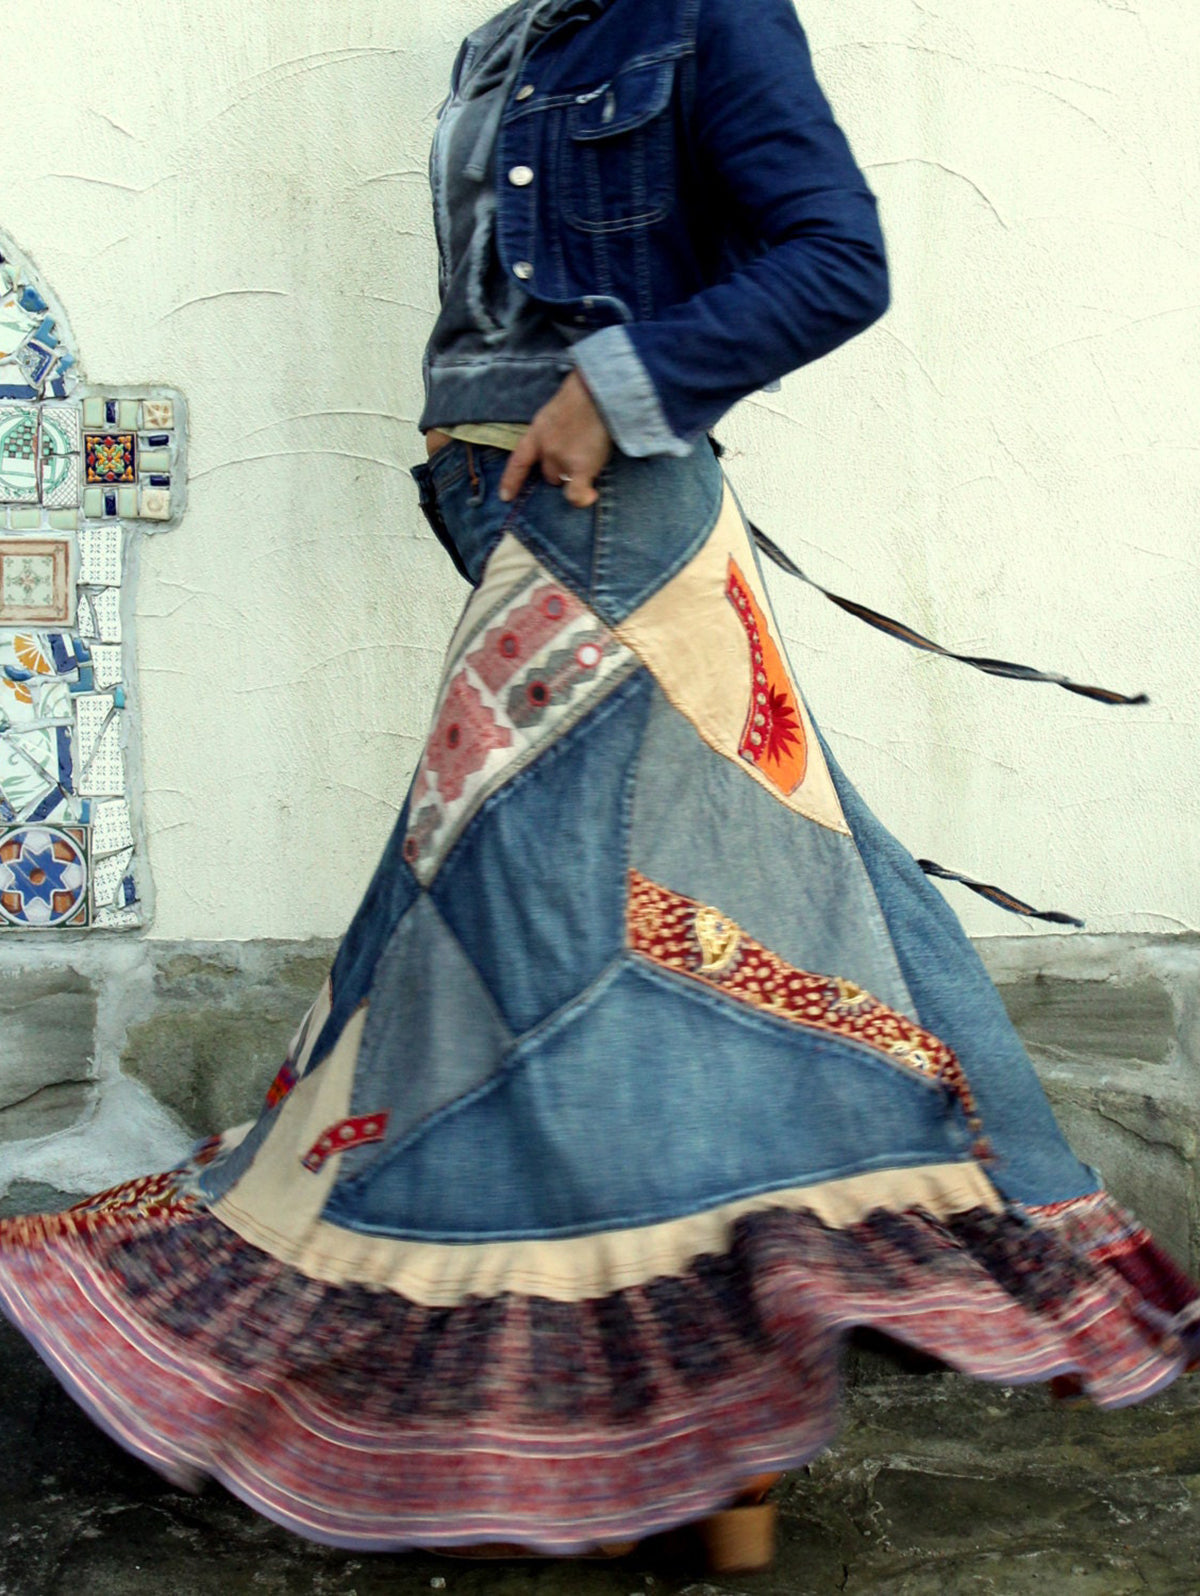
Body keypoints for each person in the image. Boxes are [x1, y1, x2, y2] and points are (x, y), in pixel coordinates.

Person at [0, 0, 1196, 1576]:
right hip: (519, 528)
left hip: (621, 515)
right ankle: (715, 1436)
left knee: (541, 946)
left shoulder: (709, 15)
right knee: (702, 915)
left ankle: (699, 1432)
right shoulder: (504, 41)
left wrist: (616, 386)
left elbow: (836, 259)